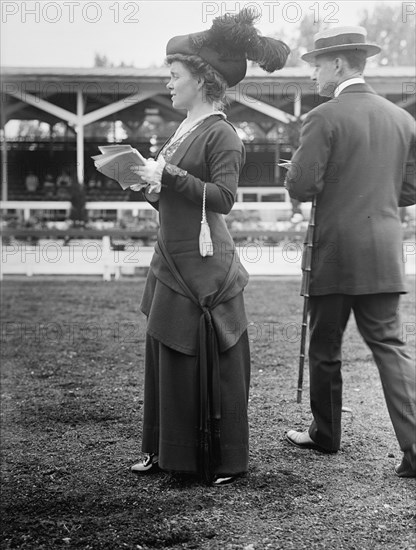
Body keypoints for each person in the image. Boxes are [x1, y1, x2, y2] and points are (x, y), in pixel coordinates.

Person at [129, 9, 290, 485]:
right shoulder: (183, 131)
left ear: (201, 79)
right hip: (173, 255)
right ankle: (165, 450)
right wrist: (146, 185)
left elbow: (224, 199)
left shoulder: (222, 133)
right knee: (164, 354)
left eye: (175, 75)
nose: (169, 82)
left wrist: (170, 176)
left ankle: (220, 460)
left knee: (201, 360)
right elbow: (176, 200)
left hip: (204, 264)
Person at [284, 26, 416, 478]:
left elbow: (302, 186)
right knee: (391, 348)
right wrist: (370, 193)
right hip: (383, 250)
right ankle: (415, 448)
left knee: (324, 347)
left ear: (338, 64)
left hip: (335, 251)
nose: (313, 75)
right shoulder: (402, 119)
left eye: (317, 65)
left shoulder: (324, 116)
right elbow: (411, 188)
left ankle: (325, 434)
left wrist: (300, 172)